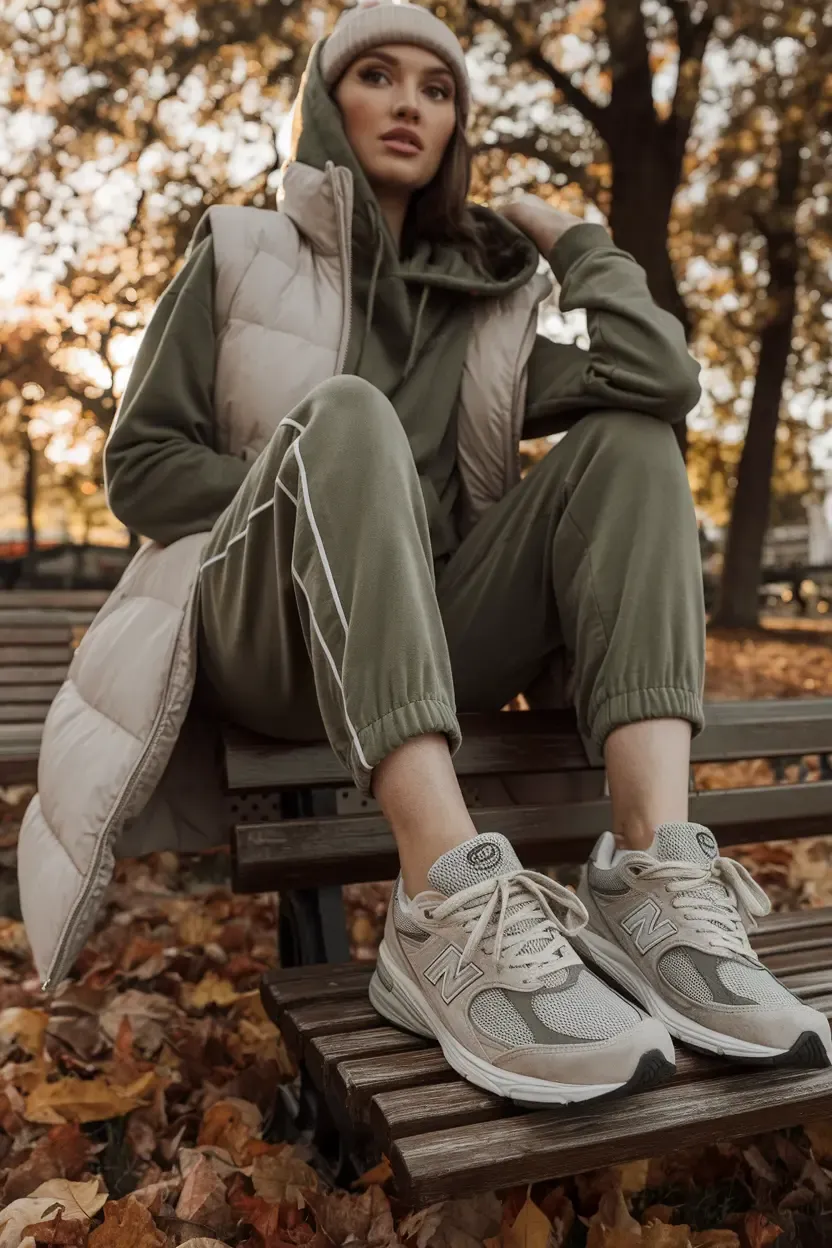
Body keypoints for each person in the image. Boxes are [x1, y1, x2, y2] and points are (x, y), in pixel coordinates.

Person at [19, 0, 830, 1105]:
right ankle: (440, 897)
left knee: (631, 443)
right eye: (377, 76)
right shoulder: (238, 249)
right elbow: (142, 467)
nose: (408, 103)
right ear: (326, 99)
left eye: (436, 88)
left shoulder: (489, 300)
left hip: (438, 639)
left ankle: (650, 871)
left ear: (457, 125)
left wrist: (578, 245)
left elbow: (659, 382)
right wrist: (311, 478)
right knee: (348, 418)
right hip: (273, 641)